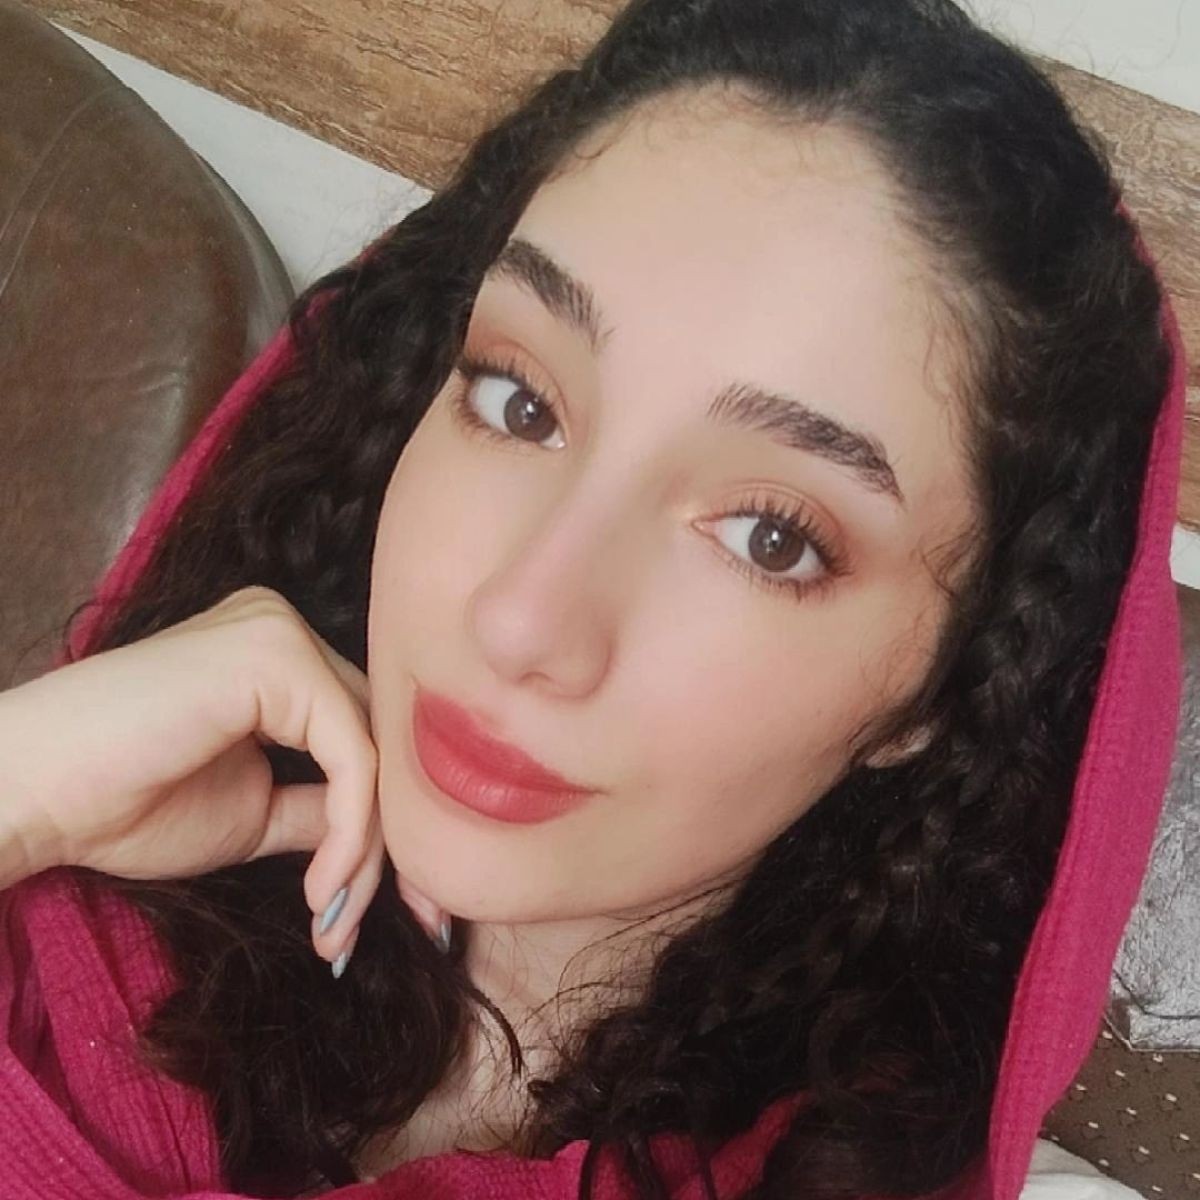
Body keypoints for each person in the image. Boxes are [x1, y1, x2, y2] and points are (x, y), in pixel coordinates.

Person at [0, 0, 1187, 1198]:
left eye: (770, 537)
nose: (520, 618)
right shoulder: (79, 890)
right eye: (519, 402)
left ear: (945, 686)